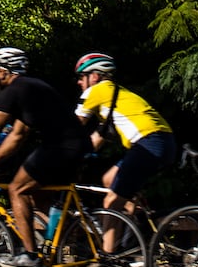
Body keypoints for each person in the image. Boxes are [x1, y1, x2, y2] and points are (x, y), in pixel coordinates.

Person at [0, 47, 89, 267]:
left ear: (3, 71)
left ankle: (29, 254)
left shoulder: (11, 92)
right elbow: (17, 136)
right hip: (77, 145)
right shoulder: (33, 87)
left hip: (59, 147)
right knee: (37, 195)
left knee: (17, 189)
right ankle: (77, 243)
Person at [73, 52, 176, 252]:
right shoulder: (115, 97)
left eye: (81, 76)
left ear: (94, 76)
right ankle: (137, 228)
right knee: (109, 180)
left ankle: (109, 259)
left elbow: (72, 127)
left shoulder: (96, 91)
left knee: (111, 202)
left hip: (148, 144)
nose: (78, 82)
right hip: (163, 142)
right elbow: (97, 139)